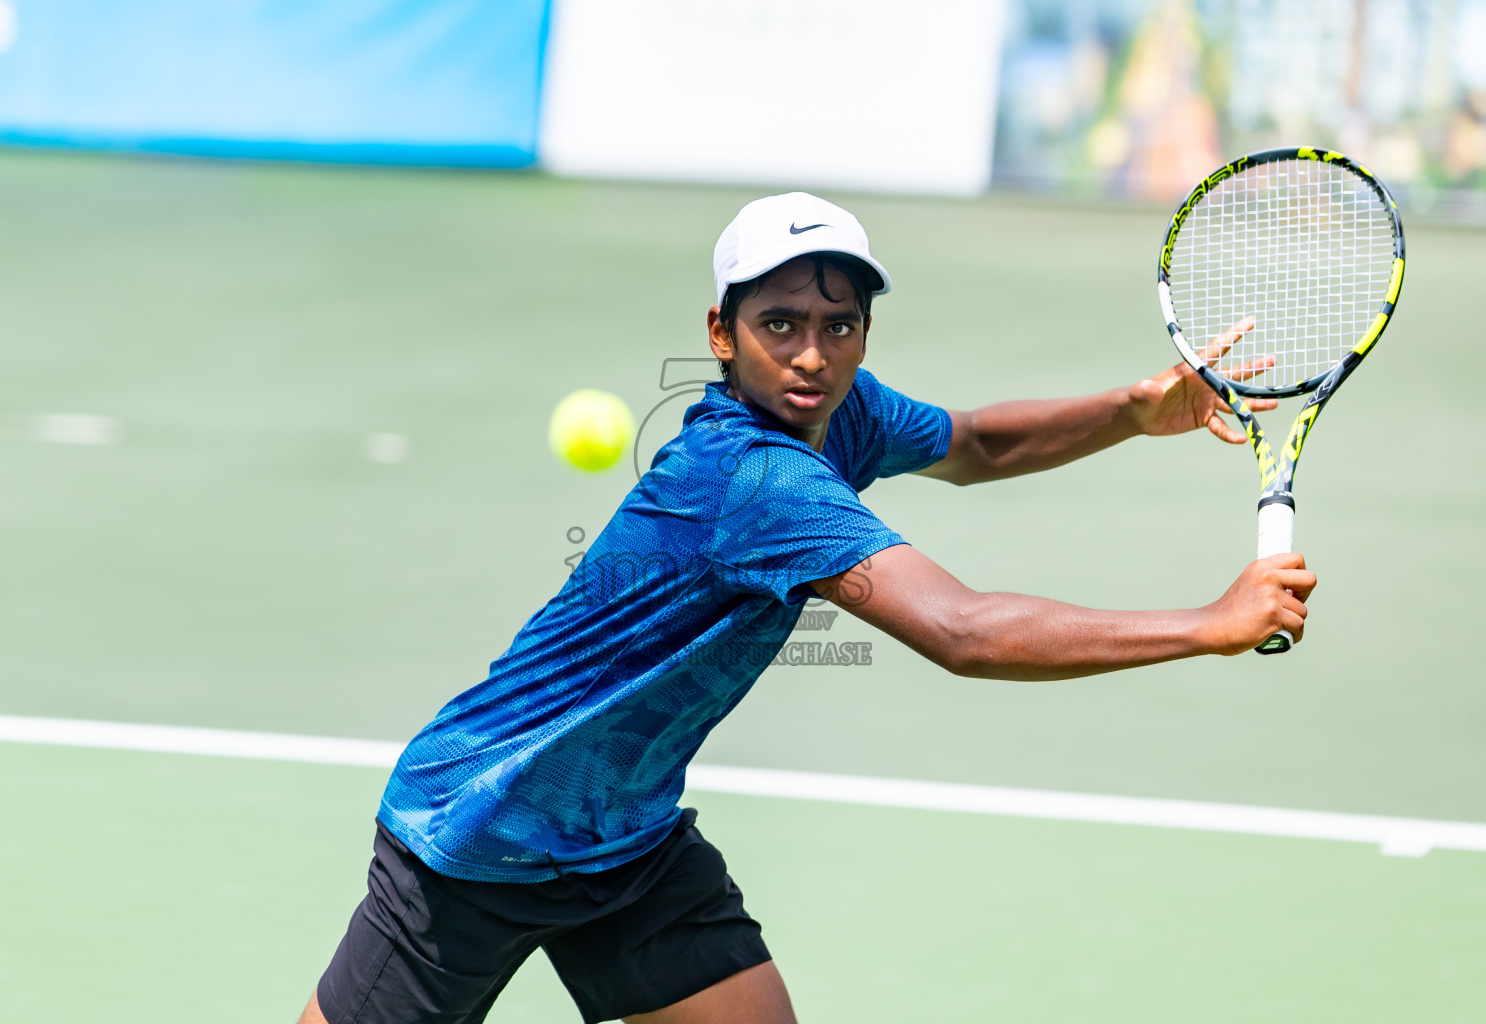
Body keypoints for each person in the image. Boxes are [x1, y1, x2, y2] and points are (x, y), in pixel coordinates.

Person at [299, 192, 1314, 1024]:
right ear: (722, 333)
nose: (812, 354)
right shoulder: (754, 480)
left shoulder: (845, 413)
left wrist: (1131, 413)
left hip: (625, 838)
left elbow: (976, 444)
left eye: (839, 326)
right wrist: (1206, 623)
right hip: (482, 827)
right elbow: (961, 631)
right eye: (779, 324)